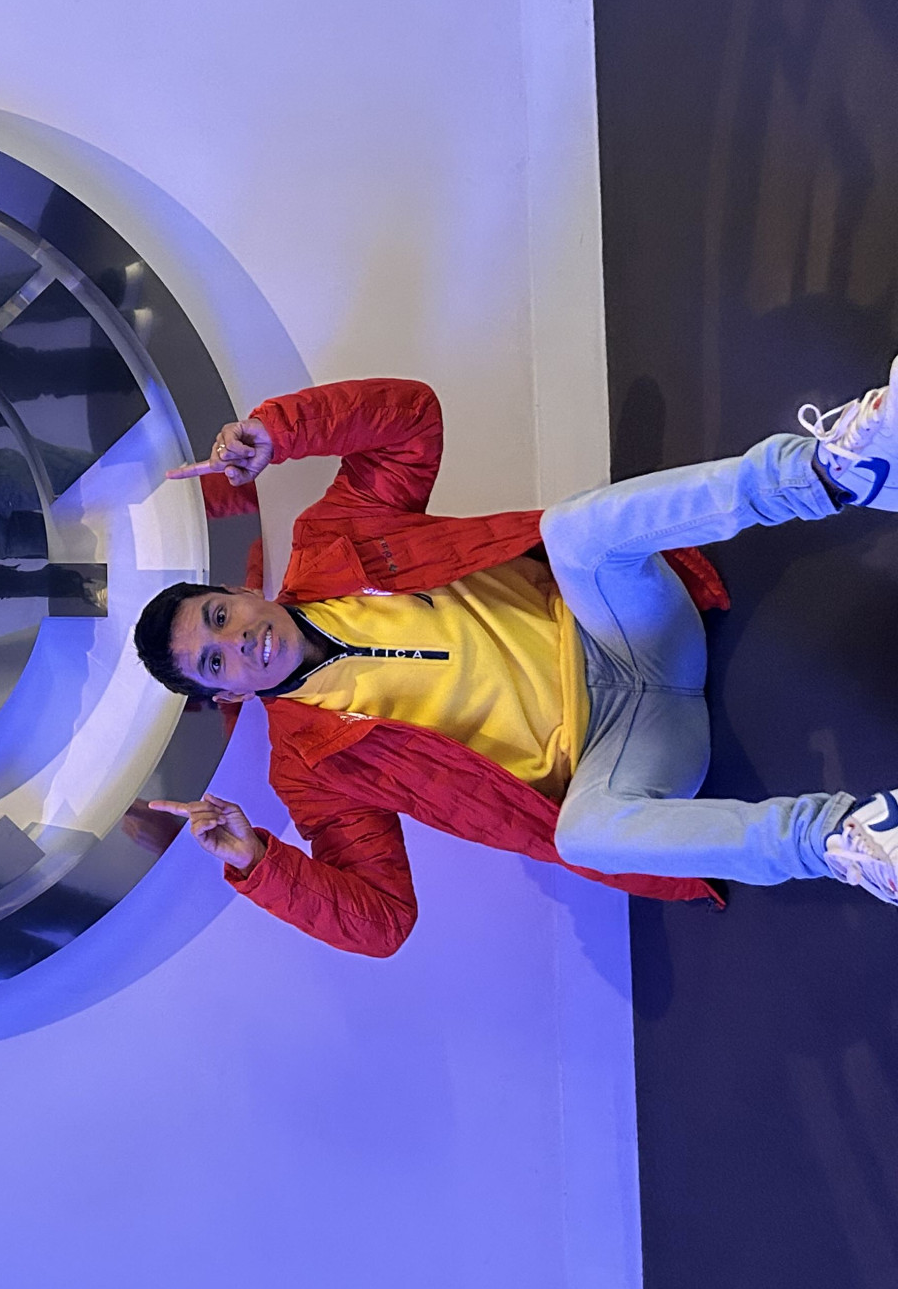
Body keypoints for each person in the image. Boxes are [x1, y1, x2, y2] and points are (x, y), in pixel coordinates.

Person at [129, 371, 898, 957]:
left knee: (575, 530)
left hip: (628, 626)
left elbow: (412, 418)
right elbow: (382, 921)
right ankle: (840, 839)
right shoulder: (306, 771)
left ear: (237, 592)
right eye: (216, 664)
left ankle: (830, 471)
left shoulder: (332, 537)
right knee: (584, 837)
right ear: (225, 695)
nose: (239, 644)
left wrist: (280, 431)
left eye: (220, 618)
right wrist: (260, 862)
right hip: (623, 754)